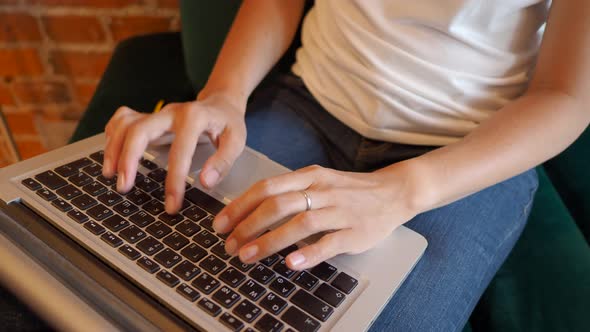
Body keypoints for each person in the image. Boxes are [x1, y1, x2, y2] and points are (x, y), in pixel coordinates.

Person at [101, 1, 590, 330]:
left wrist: (402, 190)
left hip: (465, 153)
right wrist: (224, 95)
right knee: (170, 275)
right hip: (306, 101)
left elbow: (565, 95)